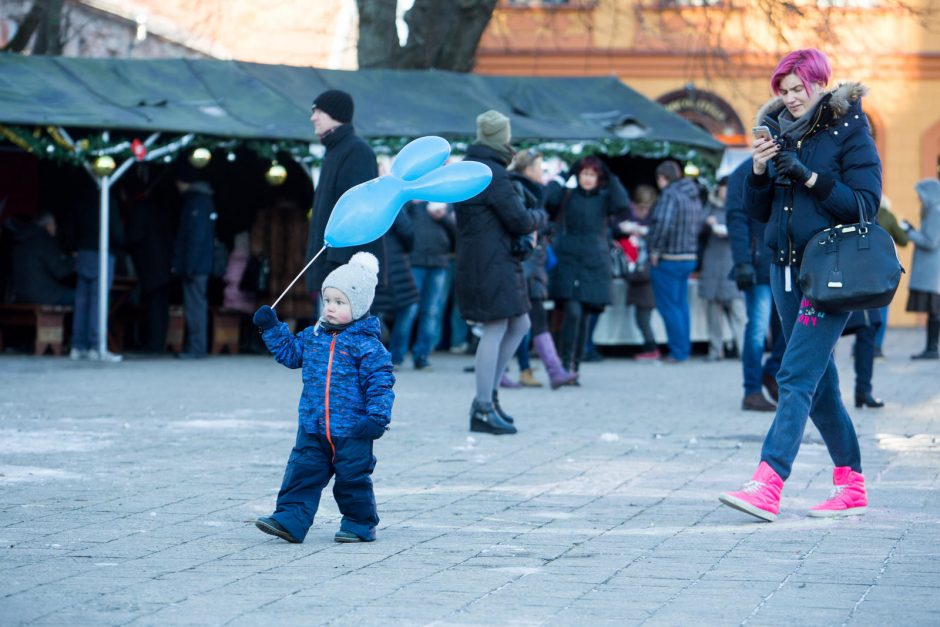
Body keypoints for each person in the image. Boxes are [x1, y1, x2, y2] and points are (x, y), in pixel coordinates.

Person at [719, 48, 882, 521]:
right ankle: (850, 483)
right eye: (783, 91)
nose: (790, 98)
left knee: (794, 375)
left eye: (799, 89)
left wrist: (809, 176)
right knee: (820, 380)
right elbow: (756, 213)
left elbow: (865, 205)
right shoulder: (774, 133)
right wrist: (759, 172)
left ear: (820, 83)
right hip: (783, 269)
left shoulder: (849, 129)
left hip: (830, 275)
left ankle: (769, 482)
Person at [251, 252, 394, 544]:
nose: (330, 308)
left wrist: (377, 417)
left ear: (359, 306)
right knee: (302, 473)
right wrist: (271, 328)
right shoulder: (313, 336)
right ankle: (290, 519)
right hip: (313, 426)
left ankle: (359, 523)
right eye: (327, 300)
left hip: (353, 429)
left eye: (340, 303)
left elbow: (380, 384)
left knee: (352, 480)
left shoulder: (367, 346)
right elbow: (290, 354)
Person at [455, 110, 548, 435]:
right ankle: (483, 406)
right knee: (495, 328)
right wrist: (540, 217)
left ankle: (490, 399)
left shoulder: (473, 169)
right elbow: (519, 219)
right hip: (490, 262)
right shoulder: (492, 173)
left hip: (488, 260)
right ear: (500, 138)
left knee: (519, 322)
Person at [545, 155, 628, 377]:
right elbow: (548, 199)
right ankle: (564, 363)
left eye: (592, 174)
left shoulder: (604, 198)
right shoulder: (568, 195)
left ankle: (576, 364)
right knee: (571, 311)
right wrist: (565, 174)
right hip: (569, 260)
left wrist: (610, 176)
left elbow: (622, 204)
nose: (588, 179)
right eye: (584, 174)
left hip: (594, 261)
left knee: (584, 316)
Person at [304, 89, 384, 305]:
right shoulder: (334, 150)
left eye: (318, 111)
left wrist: (340, 269)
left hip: (342, 272)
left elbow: (358, 212)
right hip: (330, 268)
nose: (313, 117)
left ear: (335, 113)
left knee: (342, 337)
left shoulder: (356, 151)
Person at [509, 148, 577, 389]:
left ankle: (546, 369)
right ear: (528, 169)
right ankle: (510, 372)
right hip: (523, 263)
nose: (543, 172)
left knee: (527, 319)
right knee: (517, 321)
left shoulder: (530, 189)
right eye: (539, 167)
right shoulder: (520, 190)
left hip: (531, 263)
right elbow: (522, 223)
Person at [726, 157, 786, 412]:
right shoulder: (743, 172)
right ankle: (751, 391)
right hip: (758, 262)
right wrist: (742, 262)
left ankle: (771, 372)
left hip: (787, 262)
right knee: (757, 330)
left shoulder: (789, 165)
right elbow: (736, 218)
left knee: (789, 327)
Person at [647, 160, 705, 363]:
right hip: (689, 256)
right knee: (681, 305)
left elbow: (663, 223)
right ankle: (684, 349)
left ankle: (677, 352)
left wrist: (655, 250)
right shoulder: (693, 195)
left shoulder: (670, 194)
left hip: (669, 258)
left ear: (662, 178)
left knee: (669, 306)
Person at [65, 177, 124, 362]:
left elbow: (70, 228)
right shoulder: (108, 200)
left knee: (82, 301)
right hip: (102, 253)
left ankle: (77, 345)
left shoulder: (80, 200)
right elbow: (117, 233)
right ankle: (96, 345)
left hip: (83, 253)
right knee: (98, 302)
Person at [171, 164, 216, 359]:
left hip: (195, 266)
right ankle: (196, 346)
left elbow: (195, 238)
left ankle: (196, 347)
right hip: (200, 264)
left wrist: (187, 266)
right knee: (196, 305)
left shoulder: (196, 202)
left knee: (194, 306)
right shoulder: (203, 201)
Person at [699, 177, 746, 362]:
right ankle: (715, 350)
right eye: (722, 189)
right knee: (713, 310)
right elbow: (698, 231)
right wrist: (706, 224)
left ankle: (744, 350)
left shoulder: (740, 206)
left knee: (738, 310)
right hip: (712, 262)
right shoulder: (709, 207)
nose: (724, 192)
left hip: (732, 262)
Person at [408, 201, 456, 369]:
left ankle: (422, 356)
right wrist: (411, 204)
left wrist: (443, 218)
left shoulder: (446, 203)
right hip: (415, 261)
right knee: (409, 310)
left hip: (439, 263)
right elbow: (401, 225)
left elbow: (457, 232)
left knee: (432, 311)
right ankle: (396, 355)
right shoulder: (412, 201)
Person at [614, 184, 659, 360]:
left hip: (641, 273)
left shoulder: (654, 219)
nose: (644, 211)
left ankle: (651, 348)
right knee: (642, 318)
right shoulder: (625, 214)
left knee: (643, 319)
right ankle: (650, 348)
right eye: (641, 207)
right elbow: (614, 230)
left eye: (647, 208)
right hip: (631, 264)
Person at [901, 179, 940, 360]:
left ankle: (932, 349)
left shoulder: (936, 212)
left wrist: (910, 232)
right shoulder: (933, 211)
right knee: (933, 311)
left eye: (920, 195)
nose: (919, 198)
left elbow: (930, 242)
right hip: (932, 272)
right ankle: (931, 348)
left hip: (933, 273)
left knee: (934, 310)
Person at [9, 213, 74, 306]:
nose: (56, 227)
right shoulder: (44, 241)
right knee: (83, 298)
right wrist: (73, 259)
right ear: (48, 225)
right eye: (54, 224)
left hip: (22, 296)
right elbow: (60, 271)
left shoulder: (21, 241)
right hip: (43, 295)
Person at [873, 195, 909, 357]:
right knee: (882, 308)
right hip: (883, 270)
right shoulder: (889, 216)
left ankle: (860, 347)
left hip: (862, 269)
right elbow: (903, 240)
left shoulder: (863, 215)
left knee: (862, 307)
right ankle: (877, 348)